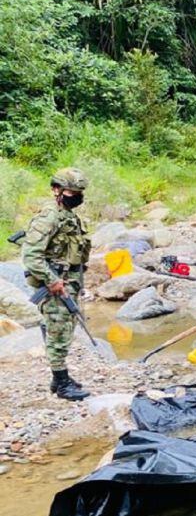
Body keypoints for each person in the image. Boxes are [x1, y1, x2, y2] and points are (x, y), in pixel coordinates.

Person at [21, 168, 92, 401]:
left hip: (68, 281)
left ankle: (60, 377)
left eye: (79, 192)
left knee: (66, 328)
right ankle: (61, 384)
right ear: (56, 190)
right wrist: (52, 281)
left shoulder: (69, 215)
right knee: (58, 331)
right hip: (55, 284)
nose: (76, 196)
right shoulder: (49, 216)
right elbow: (31, 255)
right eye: (72, 192)